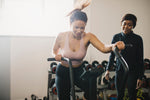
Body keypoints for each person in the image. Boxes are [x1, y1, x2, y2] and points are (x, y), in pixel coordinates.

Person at [52, 0, 125, 100]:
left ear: (85, 25)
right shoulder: (61, 36)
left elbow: (103, 47)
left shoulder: (88, 37)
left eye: (82, 28)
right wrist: (56, 55)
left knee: (90, 92)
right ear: (70, 23)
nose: (79, 31)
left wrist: (114, 46)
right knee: (63, 98)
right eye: (76, 27)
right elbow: (54, 51)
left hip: (79, 71)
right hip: (63, 71)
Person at [105, 13, 144, 100]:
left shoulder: (138, 39)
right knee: (120, 95)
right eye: (124, 24)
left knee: (132, 95)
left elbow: (140, 59)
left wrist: (140, 77)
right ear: (121, 24)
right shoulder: (116, 37)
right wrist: (107, 70)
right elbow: (112, 55)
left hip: (132, 71)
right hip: (120, 71)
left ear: (133, 26)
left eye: (129, 25)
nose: (126, 26)